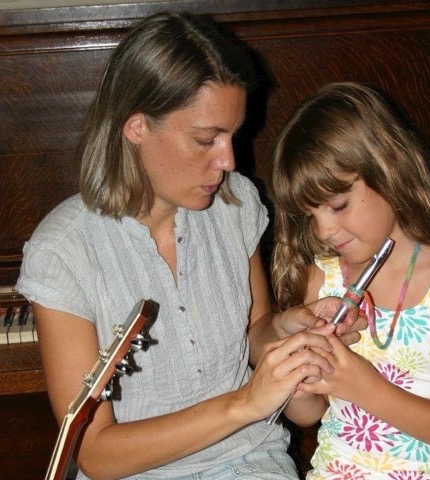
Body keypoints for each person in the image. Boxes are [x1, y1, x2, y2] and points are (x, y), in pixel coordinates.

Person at [17, 12, 365, 480]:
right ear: (136, 126)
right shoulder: (64, 250)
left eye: (232, 135)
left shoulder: (236, 203)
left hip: (248, 459)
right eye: (207, 138)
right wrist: (246, 402)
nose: (228, 160)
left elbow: (254, 329)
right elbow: (95, 453)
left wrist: (286, 331)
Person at [269, 81, 430, 479]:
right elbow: (310, 415)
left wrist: (364, 387)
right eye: (310, 215)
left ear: (388, 167)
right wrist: (298, 383)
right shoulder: (323, 278)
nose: (323, 231)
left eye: (338, 205)